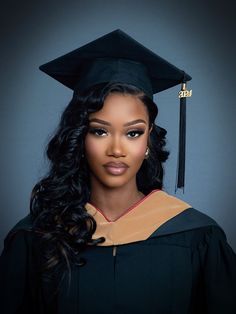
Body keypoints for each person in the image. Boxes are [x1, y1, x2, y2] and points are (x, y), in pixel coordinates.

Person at [0, 29, 235, 314]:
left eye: (133, 133)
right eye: (99, 131)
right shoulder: (35, 238)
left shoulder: (199, 238)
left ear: (149, 140)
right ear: (79, 138)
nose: (116, 149)